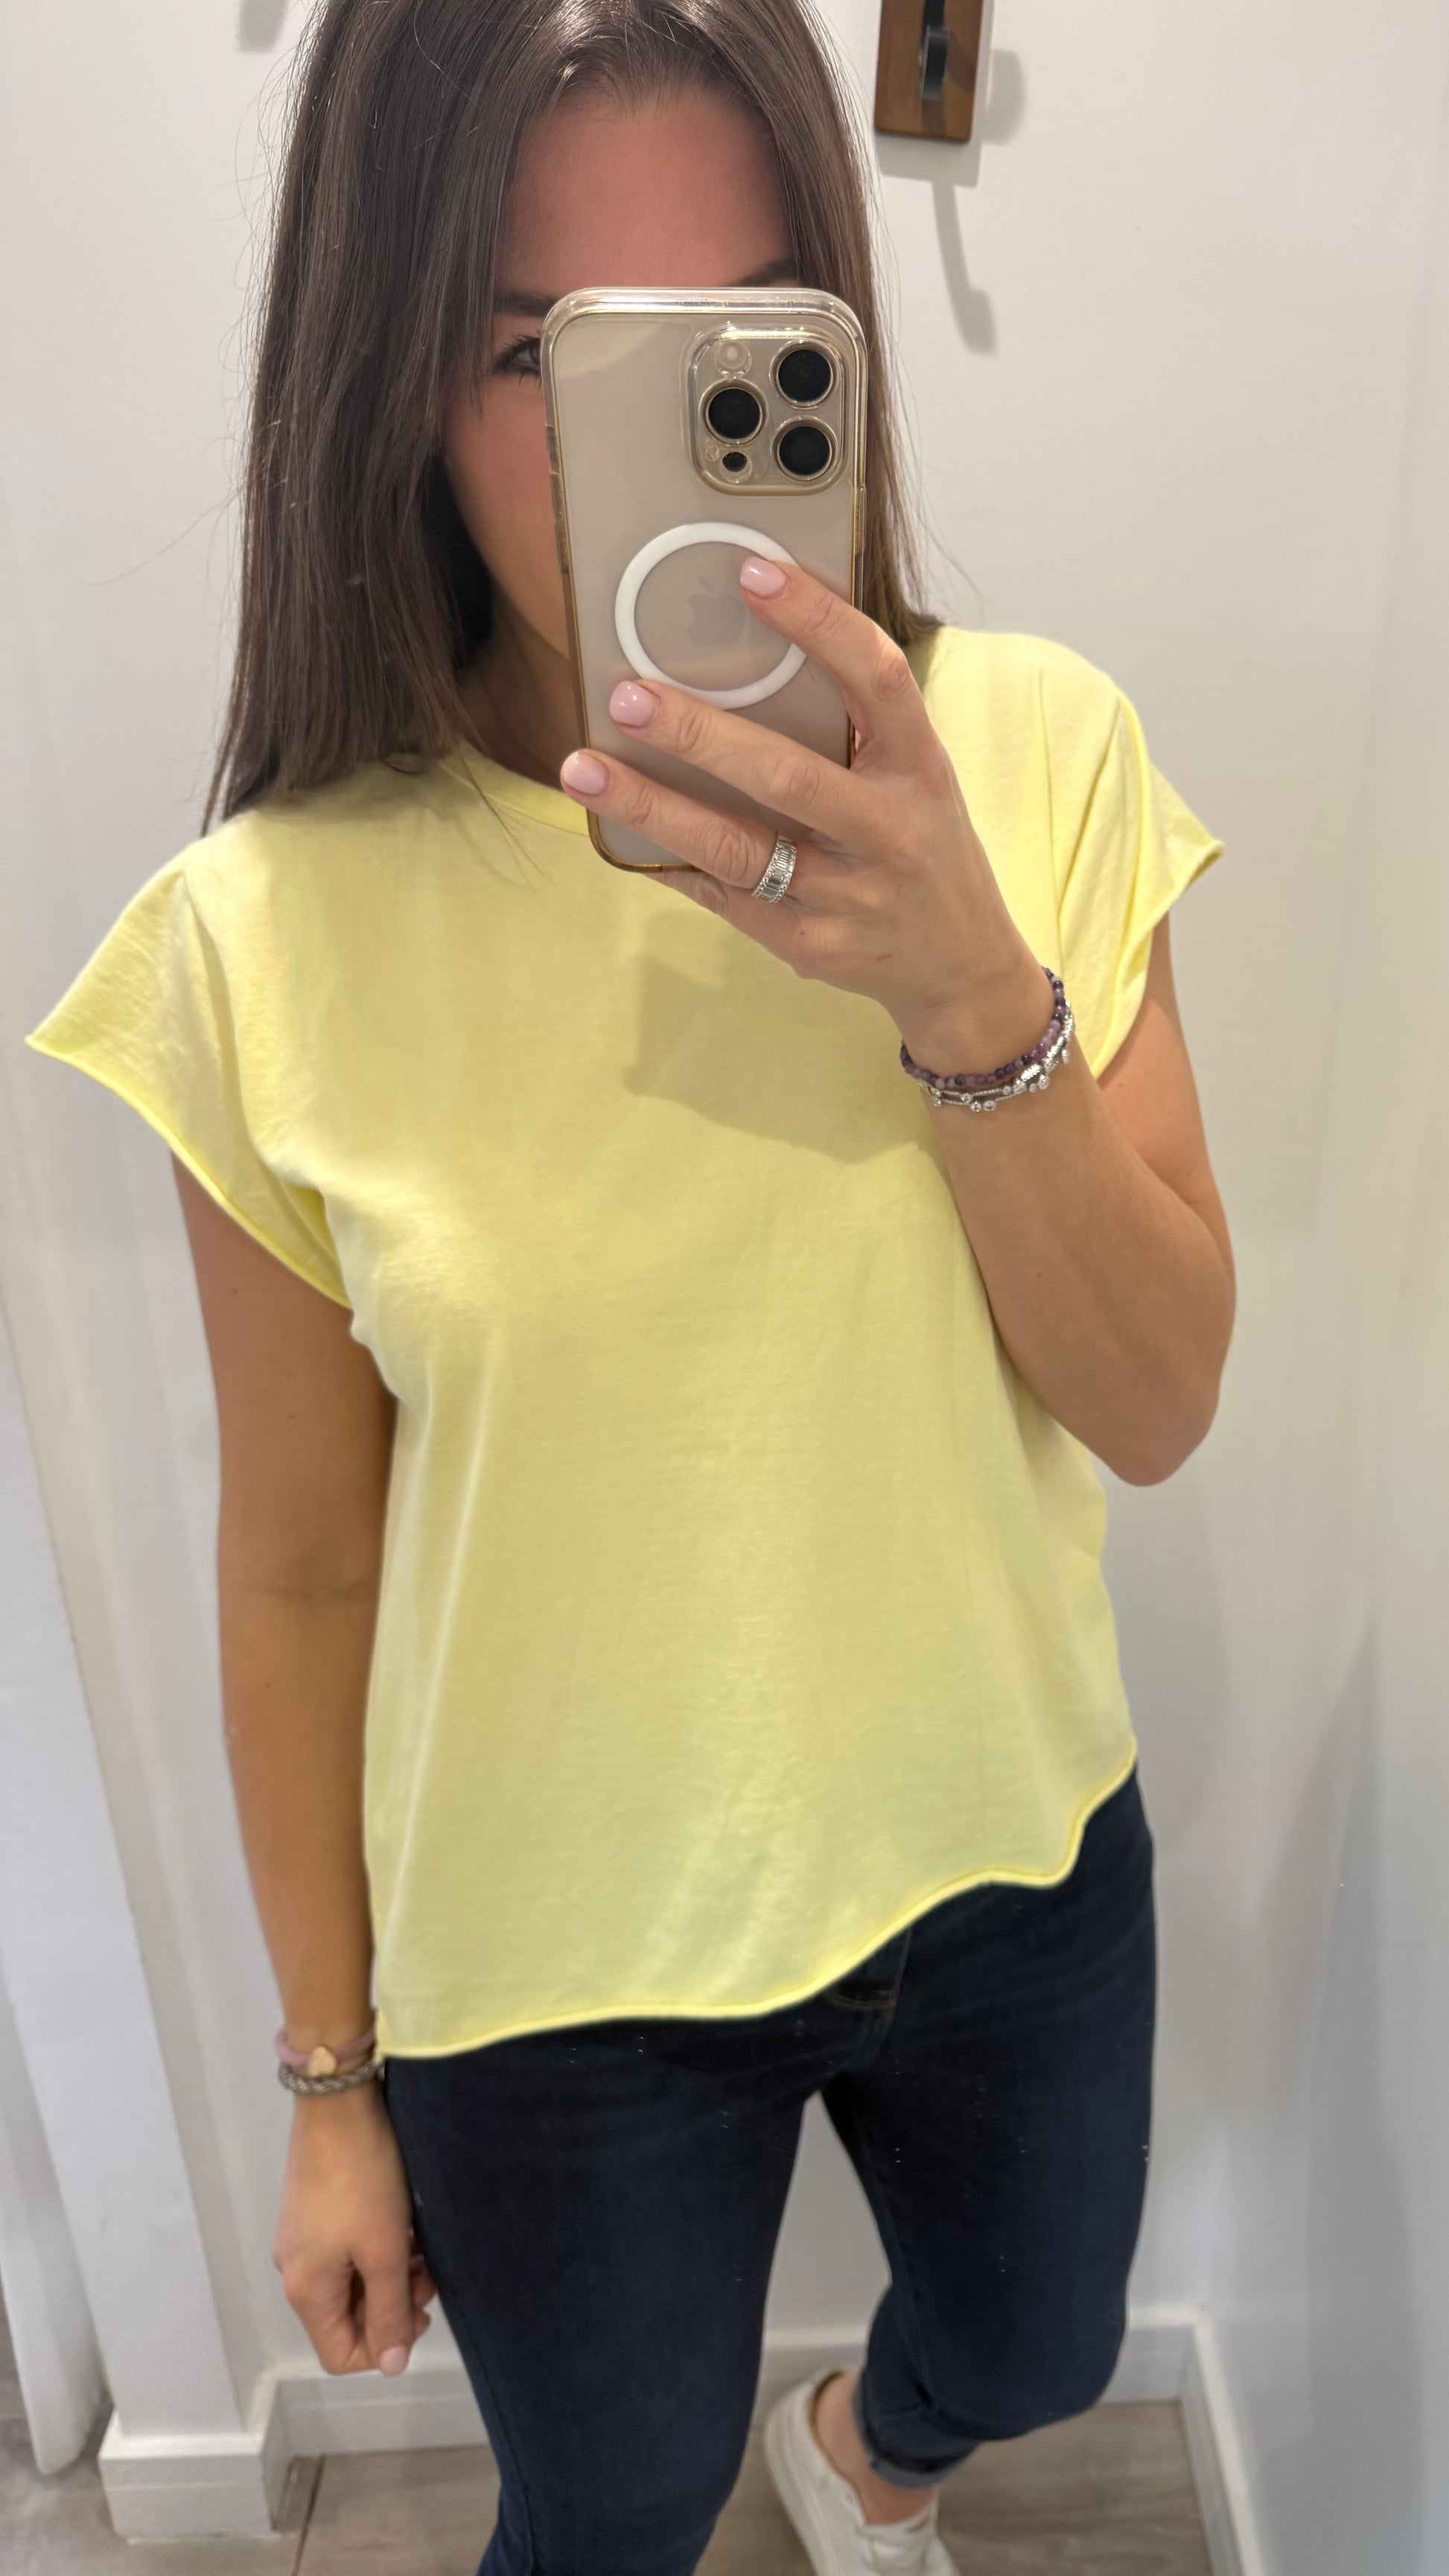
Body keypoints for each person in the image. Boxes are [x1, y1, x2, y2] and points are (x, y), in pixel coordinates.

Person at [25, 4, 1235, 2572]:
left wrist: (965, 993)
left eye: (741, 338)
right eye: (540, 359)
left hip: (1003, 1846)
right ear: (384, 372)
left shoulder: (1032, 760)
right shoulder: (265, 934)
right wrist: (328, 2083)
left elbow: (1153, 1399)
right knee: (604, 2509)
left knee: (1032, 2346)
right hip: (550, 1964)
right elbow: (301, 1564)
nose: (648, 457)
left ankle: (864, 2466)